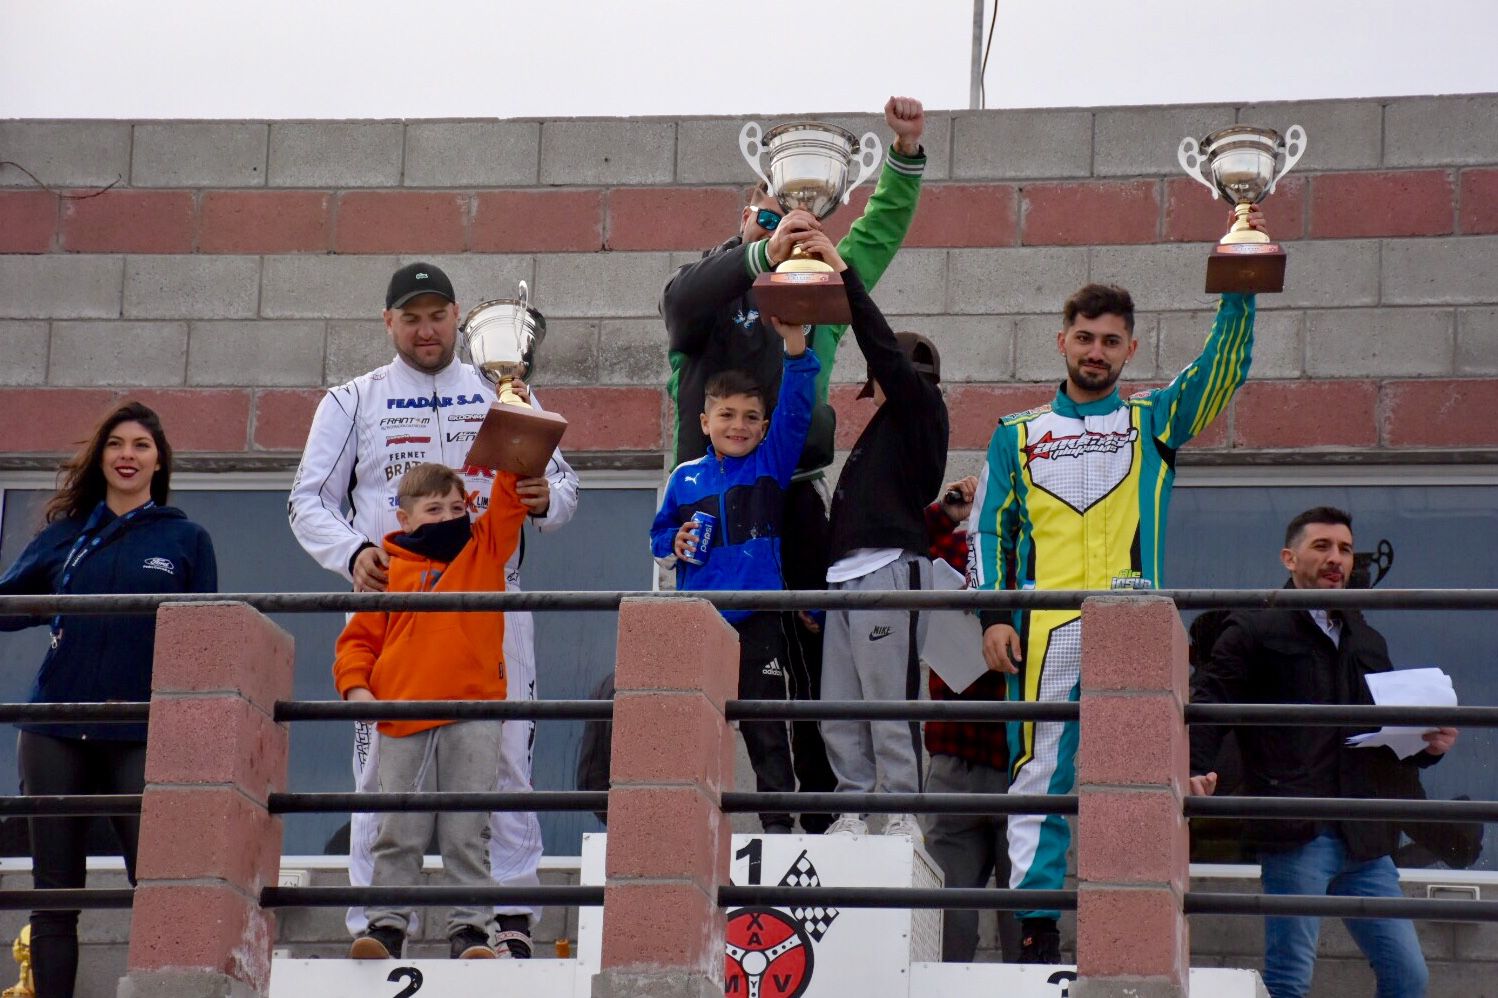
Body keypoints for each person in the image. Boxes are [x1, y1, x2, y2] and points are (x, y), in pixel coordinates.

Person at [970, 207, 1263, 963]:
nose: (1095, 351)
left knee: (1137, 776)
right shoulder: (1016, 433)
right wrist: (994, 616)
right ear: (1061, 341)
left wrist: (1240, 286)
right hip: (1046, 628)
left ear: (1130, 348)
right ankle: (1036, 930)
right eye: (1084, 337)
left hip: (1134, 624)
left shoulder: (1153, 419)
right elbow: (989, 531)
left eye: (1109, 341)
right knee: (1038, 775)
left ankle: (1132, 932)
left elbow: (1221, 372)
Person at [288, 261, 579, 957]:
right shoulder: (352, 400)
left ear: (457, 318)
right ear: (389, 322)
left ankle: (507, 917)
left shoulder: (501, 389)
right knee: (380, 771)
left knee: (506, 761)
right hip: (395, 605)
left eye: (438, 315)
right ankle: (378, 925)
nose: (426, 330)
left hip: (491, 605)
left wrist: (545, 498)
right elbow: (306, 502)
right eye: (412, 318)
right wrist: (355, 553)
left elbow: (565, 489)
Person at [661, 97, 928, 832]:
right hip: (710, 505)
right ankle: (685, 826)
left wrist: (905, 153)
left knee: (811, 661)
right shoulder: (710, 291)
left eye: (796, 214)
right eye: (771, 209)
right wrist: (755, 251)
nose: (784, 225)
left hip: (796, 498)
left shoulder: (821, 284)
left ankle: (817, 819)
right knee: (701, 662)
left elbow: (878, 232)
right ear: (750, 209)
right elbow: (679, 302)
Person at [1189, 507, 1457, 998]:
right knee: (1289, 982)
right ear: (1289, 558)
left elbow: (1384, 734)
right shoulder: (1255, 627)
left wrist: (1428, 747)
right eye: (1322, 547)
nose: (1337, 558)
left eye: (1345, 549)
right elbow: (1211, 701)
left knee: (1409, 976)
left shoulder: (1366, 639)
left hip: (1365, 838)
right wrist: (1194, 768)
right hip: (1297, 832)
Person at [0, 401, 217, 997]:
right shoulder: (65, 535)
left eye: (141, 446)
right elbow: (8, 605)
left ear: (159, 462)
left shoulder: (185, 539)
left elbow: (204, 643)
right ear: (100, 457)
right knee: (55, 896)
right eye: (116, 444)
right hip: (54, 728)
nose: (128, 455)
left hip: (140, 731)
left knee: (159, 888)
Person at [334, 462, 531, 960]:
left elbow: (509, 498)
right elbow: (357, 641)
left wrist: (518, 444)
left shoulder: (484, 549)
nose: (447, 517)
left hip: (475, 712)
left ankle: (471, 933)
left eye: (456, 507)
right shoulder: (387, 570)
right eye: (433, 509)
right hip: (403, 715)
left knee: (468, 831)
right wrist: (356, 688)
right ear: (404, 517)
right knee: (399, 831)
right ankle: (386, 929)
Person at [649, 315, 819, 834]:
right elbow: (660, 537)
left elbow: (797, 407)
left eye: (750, 417)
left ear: (764, 428)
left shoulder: (771, 462)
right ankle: (688, 828)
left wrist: (795, 346)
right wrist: (674, 543)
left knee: (766, 724)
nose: (738, 425)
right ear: (705, 422)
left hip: (760, 617)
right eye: (726, 415)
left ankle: (778, 826)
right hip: (702, 618)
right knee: (697, 724)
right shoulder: (684, 478)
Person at [813, 236, 949, 842]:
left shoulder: (923, 407)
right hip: (845, 579)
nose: (886, 380)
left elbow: (882, 348)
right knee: (839, 710)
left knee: (890, 703)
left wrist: (844, 275)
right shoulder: (887, 431)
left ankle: (901, 813)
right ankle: (853, 810)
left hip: (890, 572)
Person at [922, 475, 1021, 963]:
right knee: (942, 928)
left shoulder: (1048, 561)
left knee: (1025, 922)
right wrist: (946, 511)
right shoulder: (958, 553)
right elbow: (896, 552)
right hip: (955, 761)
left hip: (1026, 763)